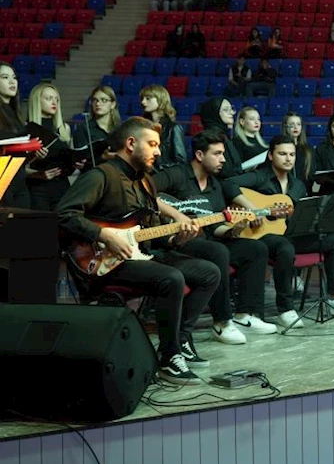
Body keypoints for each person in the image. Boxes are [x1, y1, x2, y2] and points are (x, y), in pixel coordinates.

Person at [56, 117, 220, 385]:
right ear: (131, 143)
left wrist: (175, 239)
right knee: (171, 278)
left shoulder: (146, 182)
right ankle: (169, 358)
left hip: (141, 254)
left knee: (209, 272)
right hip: (105, 262)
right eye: (152, 144)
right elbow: (64, 214)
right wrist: (103, 235)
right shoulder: (100, 176)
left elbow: (150, 231)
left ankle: (179, 340)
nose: (159, 151)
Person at [155, 130, 278, 344]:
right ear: (200, 155)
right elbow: (146, 192)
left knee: (256, 248)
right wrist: (176, 216)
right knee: (218, 250)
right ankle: (222, 322)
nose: (223, 159)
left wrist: (233, 230)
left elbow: (216, 226)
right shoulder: (177, 174)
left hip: (207, 240)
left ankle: (245, 315)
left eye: (223, 154)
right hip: (176, 241)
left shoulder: (215, 185)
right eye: (217, 154)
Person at [228, 135, 334, 323]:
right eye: (282, 154)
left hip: (289, 234)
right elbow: (228, 184)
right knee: (285, 247)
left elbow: (298, 215)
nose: (288, 158)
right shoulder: (259, 176)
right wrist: (252, 210)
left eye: (292, 154)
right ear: (271, 155)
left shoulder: (298, 185)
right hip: (261, 236)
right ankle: (286, 308)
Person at [0, 62, 30, 209]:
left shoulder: (16, 112)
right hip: (3, 178)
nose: (12, 82)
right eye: (5, 77)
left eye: (14, 77)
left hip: (19, 178)